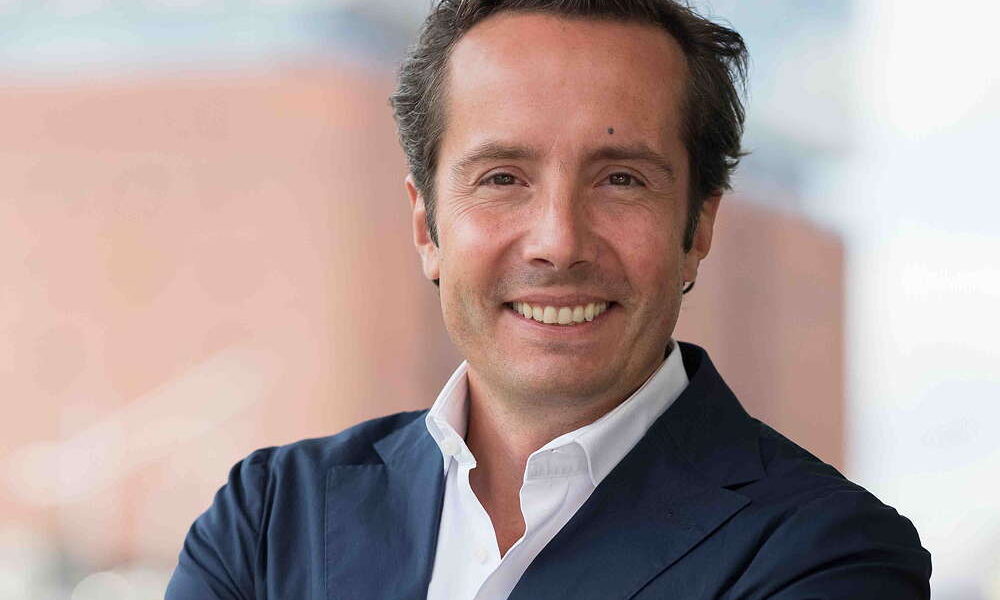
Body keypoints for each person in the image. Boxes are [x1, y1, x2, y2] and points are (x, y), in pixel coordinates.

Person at [166, 1, 932, 598]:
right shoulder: (267, 520)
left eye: (621, 179)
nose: (559, 242)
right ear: (426, 226)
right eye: (502, 178)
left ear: (698, 226)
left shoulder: (831, 555)